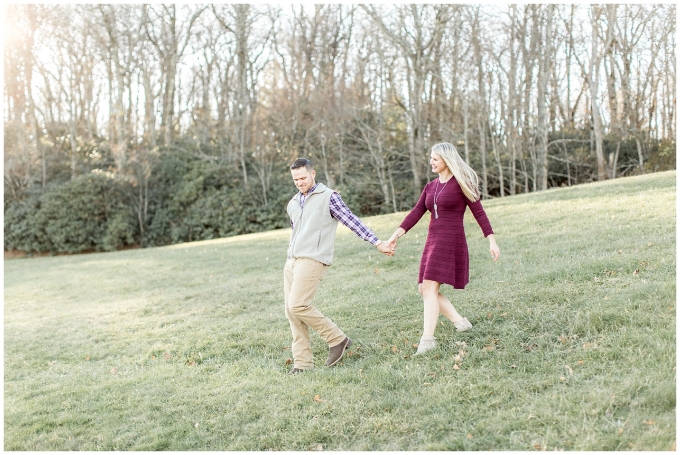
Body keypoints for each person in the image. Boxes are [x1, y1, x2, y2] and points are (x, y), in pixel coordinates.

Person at [387, 142, 500, 355]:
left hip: (451, 239)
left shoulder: (461, 184)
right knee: (424, 289)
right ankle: (461, 323)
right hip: (433, 240)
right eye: (431, 158)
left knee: (429, 288)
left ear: (447, 160)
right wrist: (395, 236)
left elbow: (480, 213)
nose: (431, 162)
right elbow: (415, 213)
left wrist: (491, 240)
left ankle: (427, 340)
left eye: (435, 159)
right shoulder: (430, 187)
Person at [284, 158, 394, 374]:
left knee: (298, 305)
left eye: (303, 177)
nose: (299, 182)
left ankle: (337, 339)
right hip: (292, 261)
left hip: (313, 259)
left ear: (313, 174)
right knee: (292, 313)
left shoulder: (329, 197)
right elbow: (296, 231)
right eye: (295, 179)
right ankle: (302, 364)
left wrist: (377, 242)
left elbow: (351, 221)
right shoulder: (293, 203)